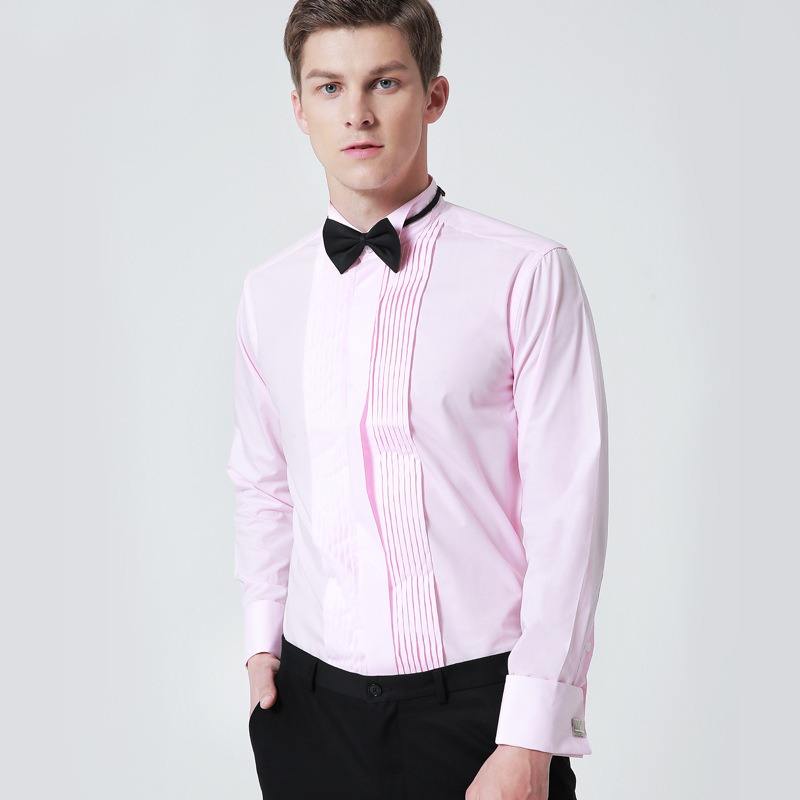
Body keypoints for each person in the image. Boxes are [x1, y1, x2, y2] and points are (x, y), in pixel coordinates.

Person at [225, 1, 609, 798]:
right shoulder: (268, 294)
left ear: (434, 97)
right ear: (298, 108)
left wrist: (530, 738)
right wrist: (262, 645)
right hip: (309, 713)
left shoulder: (526, 274)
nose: (357, 113)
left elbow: (567, 517)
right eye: (330, 87)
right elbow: (263, 484)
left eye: (385, 82)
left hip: (480, 718)